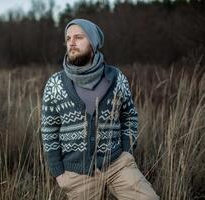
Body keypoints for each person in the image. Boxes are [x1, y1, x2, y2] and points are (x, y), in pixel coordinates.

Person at [40, 18, 159, 200]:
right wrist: (58, 172)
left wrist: (127, 151)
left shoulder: (116, 78)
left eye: (79, 37)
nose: (71, 42)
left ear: (93, 43)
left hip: (118, 164)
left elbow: (129, 117)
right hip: (77, 173)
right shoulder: (55, 84)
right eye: (68, 38)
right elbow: (49, 130)